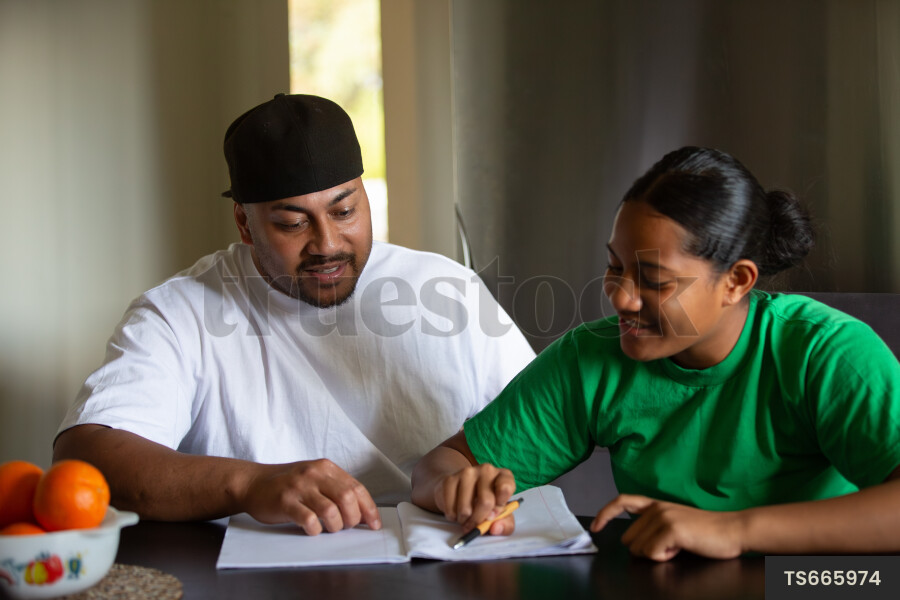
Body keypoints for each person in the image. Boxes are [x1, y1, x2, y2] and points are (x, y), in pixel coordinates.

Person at [53, 93, 535, 535]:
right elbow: (85, 458)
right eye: (292, 223)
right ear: (244, 222)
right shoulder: (178, 313)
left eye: (344, 211)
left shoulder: (447, 290)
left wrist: (482, 490)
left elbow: (546, 422)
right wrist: (247, 484)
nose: (326, 244)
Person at [411, 146, 900, 561]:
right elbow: (441, 464)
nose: (620, 296)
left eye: (655, 281)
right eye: (615, 266)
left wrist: (731, 531)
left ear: (737, 281)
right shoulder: (593, 358)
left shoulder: (826, 351)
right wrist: (456, 487)